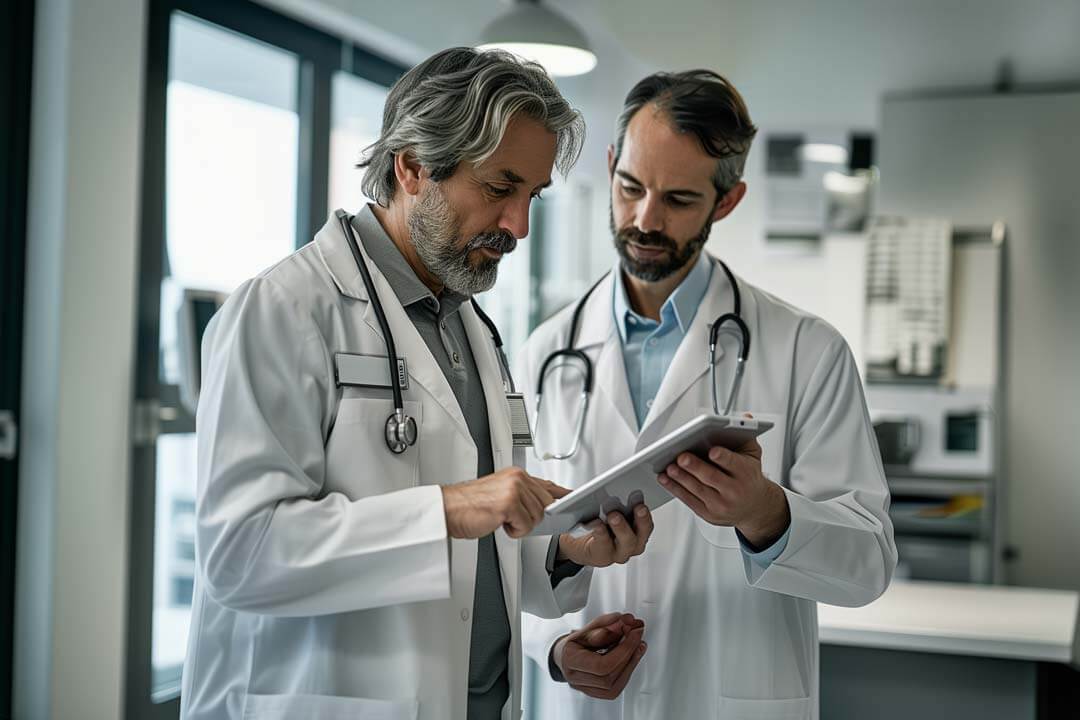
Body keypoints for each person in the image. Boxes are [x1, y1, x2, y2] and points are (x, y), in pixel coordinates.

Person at [179, 47, 654, 720]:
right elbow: (240, 554)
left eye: (531, 197)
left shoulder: (471, 327)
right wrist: (452, 508)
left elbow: (474, 560)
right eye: (499, 188)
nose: (518, 226)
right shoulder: (285, 310)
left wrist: (567, 550)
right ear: (411, 167)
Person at [519, 70, 897, 719]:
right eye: (630, 186)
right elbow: (514, 548)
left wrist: (765, 513)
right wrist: (553, 648)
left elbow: (867, 564)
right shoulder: (548, 352)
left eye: (679, 199)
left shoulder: (808, 351)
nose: (644, 218)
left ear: (726, 201)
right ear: (610, 166)